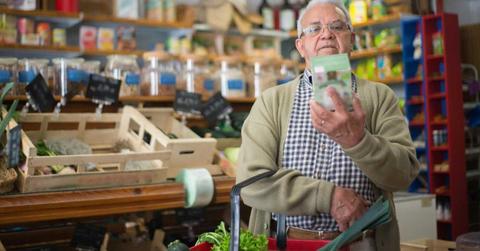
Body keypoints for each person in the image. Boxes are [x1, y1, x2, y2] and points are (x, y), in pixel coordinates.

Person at [236, 0, 420, 250]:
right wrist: (329, 196)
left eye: (337, 26)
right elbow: (251, 183)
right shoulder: (271, 101)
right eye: (314, 29)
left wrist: (358, 141)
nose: (326, 34)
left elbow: (402, 176)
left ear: (351, 40)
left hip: (362, 243)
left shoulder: (380, 97)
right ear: (301, 46)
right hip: (288, 243)